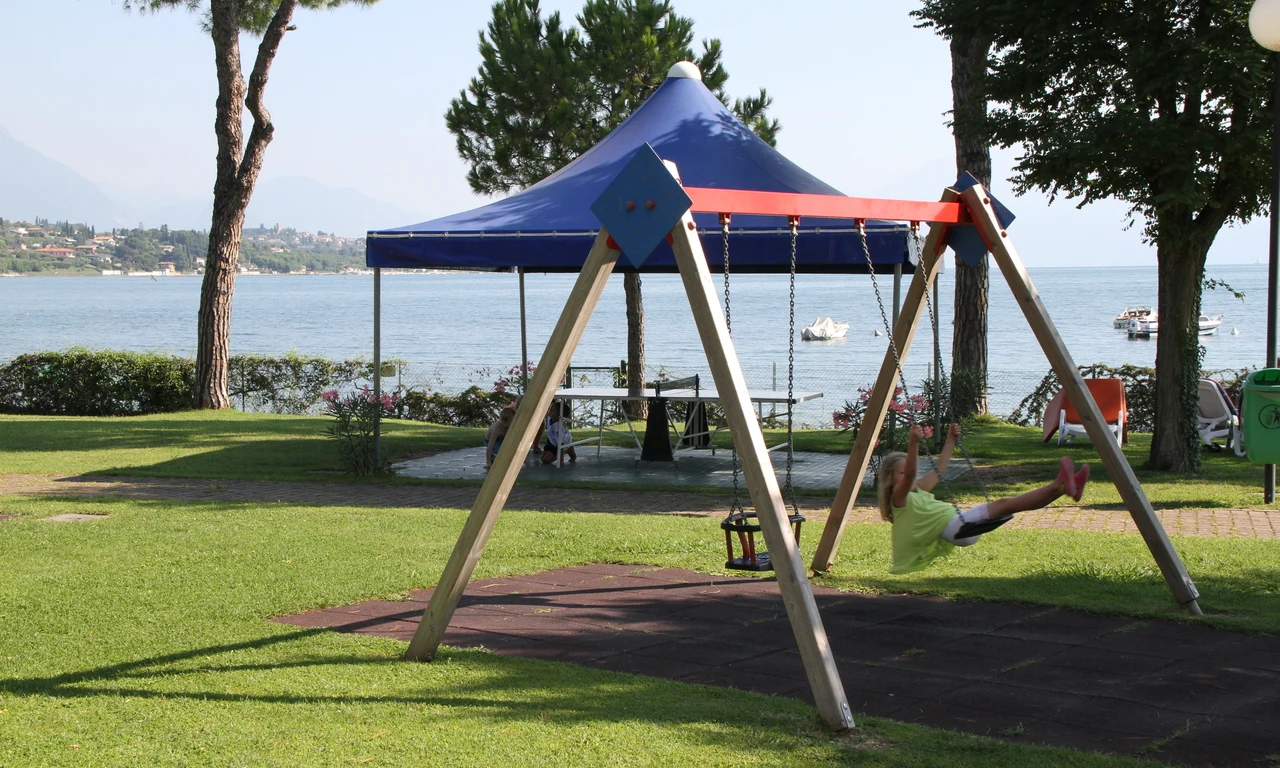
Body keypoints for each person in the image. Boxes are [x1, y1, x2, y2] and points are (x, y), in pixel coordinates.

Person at [878, 423, 1089, 574]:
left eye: (907, 472)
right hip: (957, 529)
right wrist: (913, 444)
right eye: (901, 473)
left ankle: (1064, 488)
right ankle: (1058, 485)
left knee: (1007, 506)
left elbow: (940, 467)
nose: (907, 476)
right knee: (1003, 504)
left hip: (961, 525)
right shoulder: (899, 499)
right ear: (890, 479)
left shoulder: (919, 488)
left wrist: (951, 440)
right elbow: (913, 473)